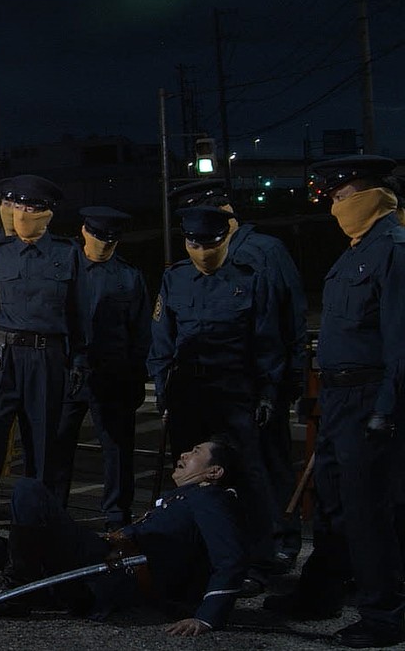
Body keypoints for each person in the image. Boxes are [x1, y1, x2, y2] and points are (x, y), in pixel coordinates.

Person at [0, 437, 248, 636]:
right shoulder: (186, 498)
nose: (184, 454)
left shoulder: (210, 500)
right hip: (103, 563)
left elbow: (229, 559)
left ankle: (17, 591)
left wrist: (207, 618)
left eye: (196, 452)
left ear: (214, 473)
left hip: (114, 574)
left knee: (28, 492)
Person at [264, 155, 405, 648]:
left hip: (370, 395)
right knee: (331, 504)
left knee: (369, 512)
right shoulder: (356, 250)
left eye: (343, 195)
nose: (337, 206)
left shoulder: (393, 250)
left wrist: (386, 408)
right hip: (341, 396)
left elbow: (400, 341)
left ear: (370, 194)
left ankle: (384, 613)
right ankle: (320, 593)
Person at [147, 204, 283, 595]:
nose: (202, 250)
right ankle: (193, 557)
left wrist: (268, 392)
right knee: (189, 479)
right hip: (189, 392)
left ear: (225, 240)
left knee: (249, 478)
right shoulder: (174, 280)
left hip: (236, 392)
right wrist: (162, 388)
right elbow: (161, 341)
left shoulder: (249, 279)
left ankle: (257, 563)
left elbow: (267, 342)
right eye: (194, 243)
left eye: (210, 243)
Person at [174, 178, 309, 571]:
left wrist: (287, 378)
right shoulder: (204, 253)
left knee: (265, 466)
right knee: (222, 467)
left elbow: (289, 317)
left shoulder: (264, 250)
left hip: (256, 378)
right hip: (215, 383)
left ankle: (280, 541)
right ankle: (231, 542)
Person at [0, 175, 89, 540]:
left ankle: (36, 529)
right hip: (4, 355)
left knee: (43, 449)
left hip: (47, 356)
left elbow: (79, 313)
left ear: (47, 214)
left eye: (32, 209)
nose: (23, 214)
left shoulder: (67, 254)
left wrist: (78, 359)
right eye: (19, 207)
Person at [51, 206, 150, 530]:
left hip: (112, 373)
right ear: (84, 232)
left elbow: (139, 331)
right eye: (98, 236)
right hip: (68, 372)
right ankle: (53, 512)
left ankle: (116, 518)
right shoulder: (63, 266)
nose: (104, 244)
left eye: (111, 239)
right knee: (57, 445)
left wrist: (137, 376)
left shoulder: (128, 275)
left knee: (117, 451)